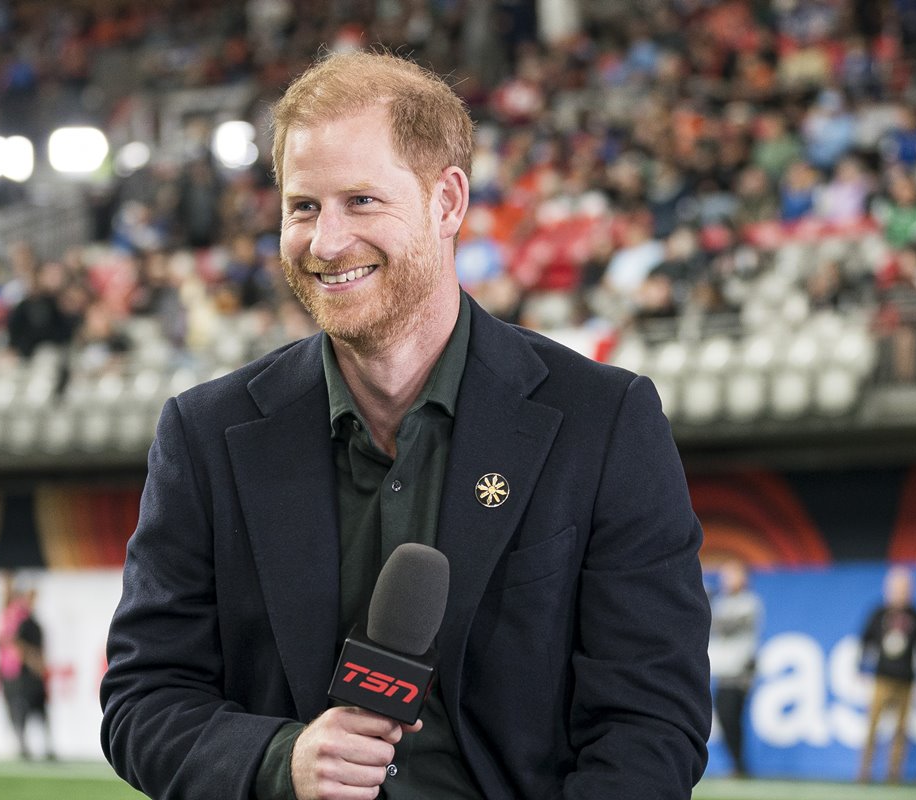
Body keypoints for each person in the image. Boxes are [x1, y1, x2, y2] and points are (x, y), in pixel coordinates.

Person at [101, 51, 711, 800]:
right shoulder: (203, 437)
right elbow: (143, 700)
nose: (325, 242)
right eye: (303, 206)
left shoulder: (605, 423)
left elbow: (651, 723)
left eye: (361, 200)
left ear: (447, 201)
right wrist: (277, 760)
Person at [858, 565, 916, 784]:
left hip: (906, 680)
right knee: (872, 726)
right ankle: (864, 772)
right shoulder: (878, 613)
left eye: (905, 588)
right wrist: (860, 668)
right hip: (882, 677)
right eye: (897, 587)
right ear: (888, 589)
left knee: (901, 729)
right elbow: (865, 642)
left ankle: (894, 774)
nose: (901, 592)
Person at [708, 560, 763, 778]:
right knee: (725, 718)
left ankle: (740, 766)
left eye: (732, 575)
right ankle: (738, 766)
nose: (727, 580)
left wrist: (707, 606)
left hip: (739, 672)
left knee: (732, 717)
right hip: (722, 672)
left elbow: (727, 626)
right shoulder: (720, 602)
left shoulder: (749, 602)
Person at [0, 575, 54, 761]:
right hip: (19, 674)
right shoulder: (16, 617)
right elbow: (17, 644)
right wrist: (32, 660)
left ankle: (45, 746)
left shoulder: (32, 622)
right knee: (20, 709)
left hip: (29, 674)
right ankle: (23, 745)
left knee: (40, 710)